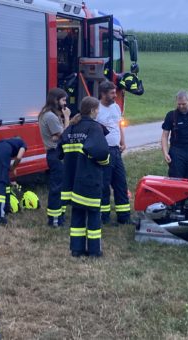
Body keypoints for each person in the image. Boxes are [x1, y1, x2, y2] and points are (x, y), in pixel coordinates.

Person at [58, 96, 110, 257]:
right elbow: (101, 153)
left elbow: (59, 152)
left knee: (78, 215)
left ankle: (76, 249)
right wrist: (106, 161)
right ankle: (94, 251)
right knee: (94, 214)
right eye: (97, 110)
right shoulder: (94, 128)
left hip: (72, 182)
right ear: (94, 110)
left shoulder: (71, 128)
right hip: (89, 179)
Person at [95, 80, 131, 225]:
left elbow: (119, 125)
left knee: (121, 183)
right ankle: (104, 217)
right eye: (112, 93)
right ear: (103, 94)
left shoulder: (116, 107)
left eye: (115, 92)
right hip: (105, 151)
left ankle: (124, 216)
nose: (115, 95)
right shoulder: (96, 109)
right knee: (104, 185)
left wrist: (123, 141)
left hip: (116, 150)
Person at [38, 88, 70, 227]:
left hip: (55, 153)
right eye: (63, 100)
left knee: (60, 186)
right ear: (55, 100)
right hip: (56, 153)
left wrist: (58, 135)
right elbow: (65, 135)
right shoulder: (50, 116)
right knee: (57, 188)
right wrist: (67, 118)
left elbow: (58, 135)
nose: (65, 104)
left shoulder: (50, 115)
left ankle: (58, 217)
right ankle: (55, 220)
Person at [0, 137, 26, 224]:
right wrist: (13, 167)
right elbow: (19, 157)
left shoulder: (8, 142)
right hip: (2, 153)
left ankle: (6, 207)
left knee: (0, 180)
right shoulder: (23, 143)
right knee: (0, 182)